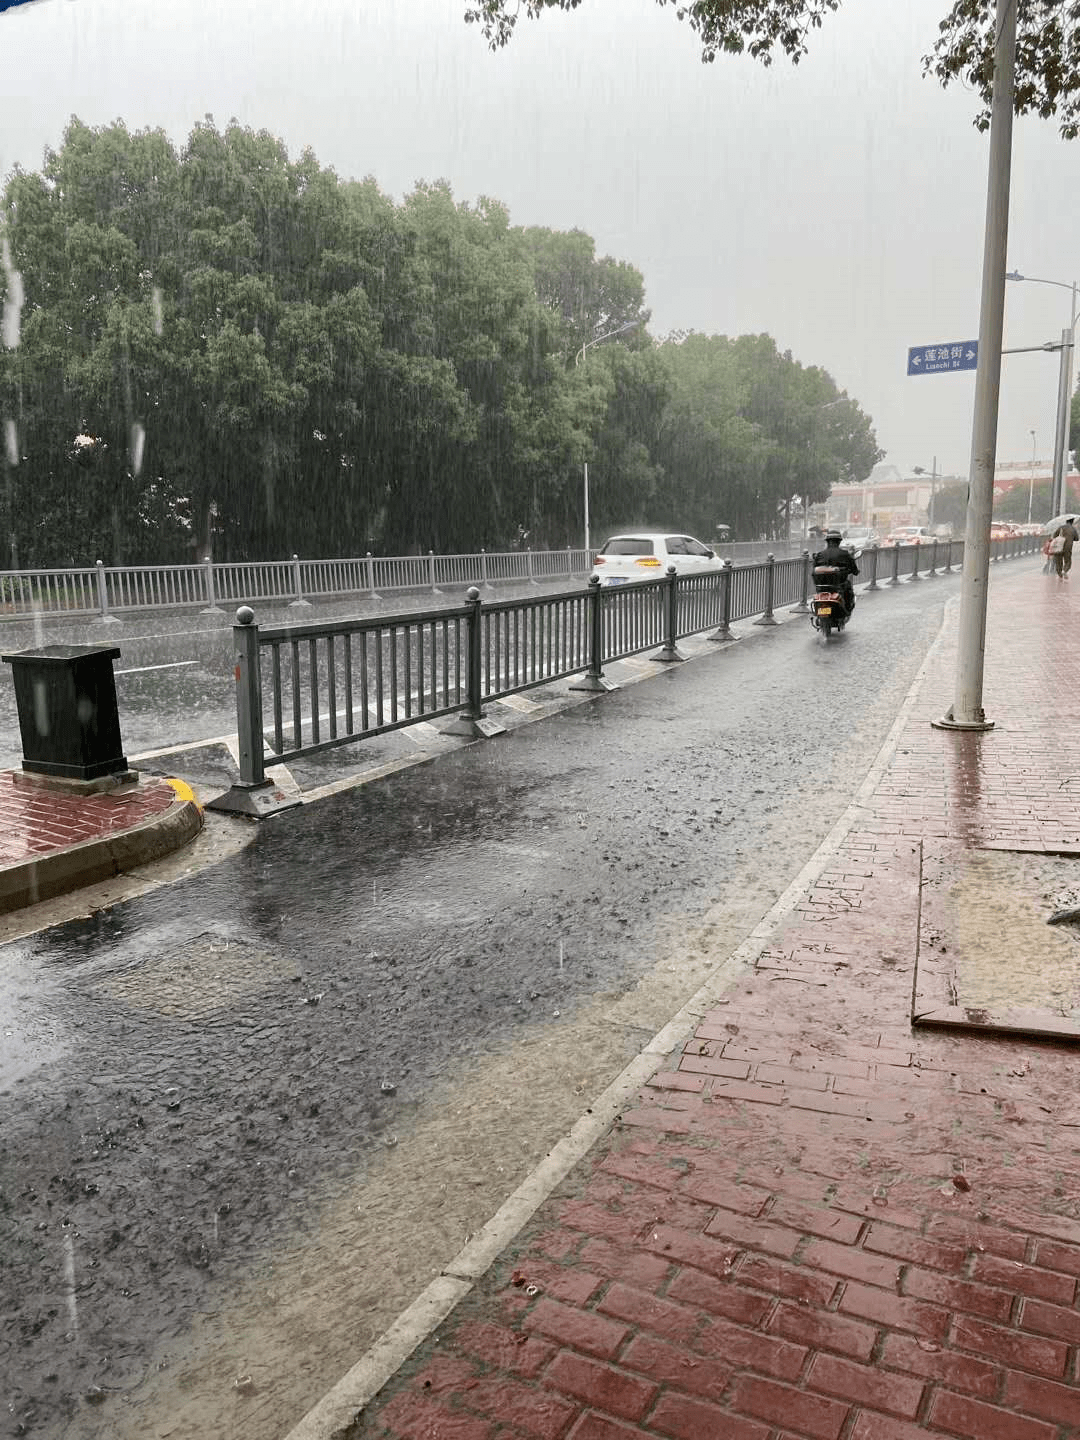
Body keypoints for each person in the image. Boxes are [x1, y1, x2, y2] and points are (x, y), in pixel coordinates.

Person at [813, 529, 860, 614]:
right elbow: (854, 569)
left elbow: (814, 569)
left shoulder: (820, 554)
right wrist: (855, 571)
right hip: (839, 585)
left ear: (827, 541)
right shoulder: (845, 554)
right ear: (839, 541)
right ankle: (847, 610)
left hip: (822, 587)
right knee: (849, 591)